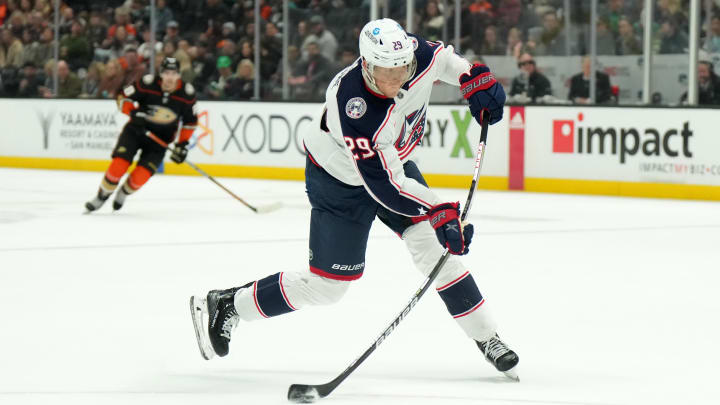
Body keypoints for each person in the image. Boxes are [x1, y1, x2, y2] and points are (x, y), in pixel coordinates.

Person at [190, 18, 519, 379]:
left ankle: (488, 337)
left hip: (395, 165)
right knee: (328, 287)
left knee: (435, 251)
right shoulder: (354, 105)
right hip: (339, 183)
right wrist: (439, 210)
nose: (396, 80)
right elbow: (385, 185)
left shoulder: (410, 54)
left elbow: (443, 61)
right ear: (366, 64)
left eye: (402, 70)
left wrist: (472, 78)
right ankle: (229, 305)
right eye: (385, 73)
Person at [84, 57, 198, 212]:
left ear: (178, 75)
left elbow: (190, 122)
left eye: (173, 73)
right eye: (166, 73)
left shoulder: (187, 94)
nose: (169, 77)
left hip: (160, 142)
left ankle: (123, 193)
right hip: (136, 132)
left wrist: (182, 145)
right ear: (160, 73)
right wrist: (133, 112)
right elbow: (123, 97)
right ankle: (102, 195)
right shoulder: (148, 83)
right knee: (119, 165)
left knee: (140, 177)